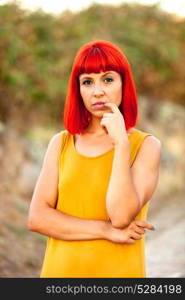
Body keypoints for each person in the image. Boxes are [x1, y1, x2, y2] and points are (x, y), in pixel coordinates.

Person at [28, 40, 161, 278]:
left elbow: (121, 216)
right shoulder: (61, 143)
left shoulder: (146, 146)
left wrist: (121, 143)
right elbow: (38, 218)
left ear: (124, 84)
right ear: (78, 90)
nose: (97, 91)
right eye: (87, 81)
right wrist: (105, 230)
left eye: (108, 79)